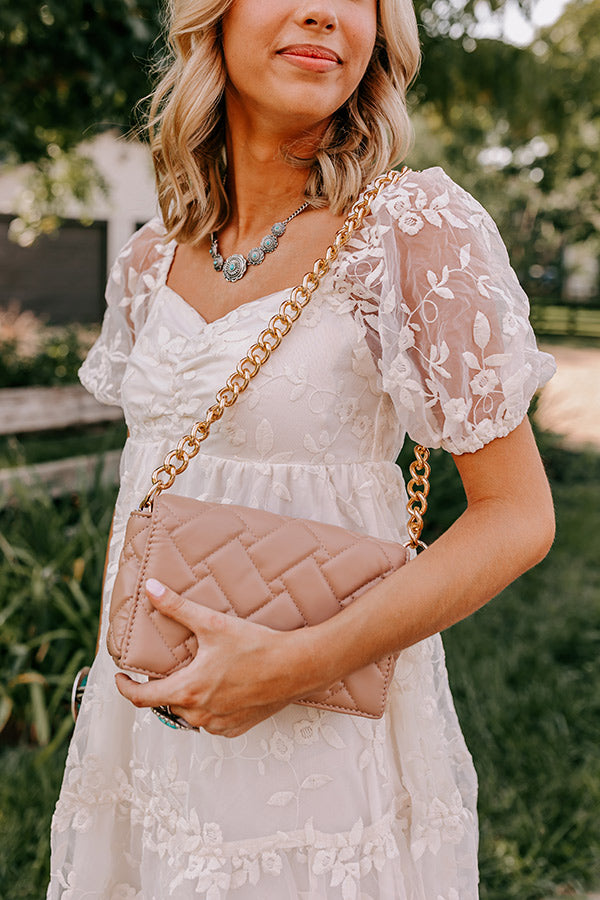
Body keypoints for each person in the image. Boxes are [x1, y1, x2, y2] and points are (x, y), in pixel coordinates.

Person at [47, 0, 556, 897]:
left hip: (321, 733)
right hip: (152, 724)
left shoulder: (409, 228)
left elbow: (518, 517)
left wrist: (294, 665)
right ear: (214, 17)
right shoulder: (148, 259)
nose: (323, 11)